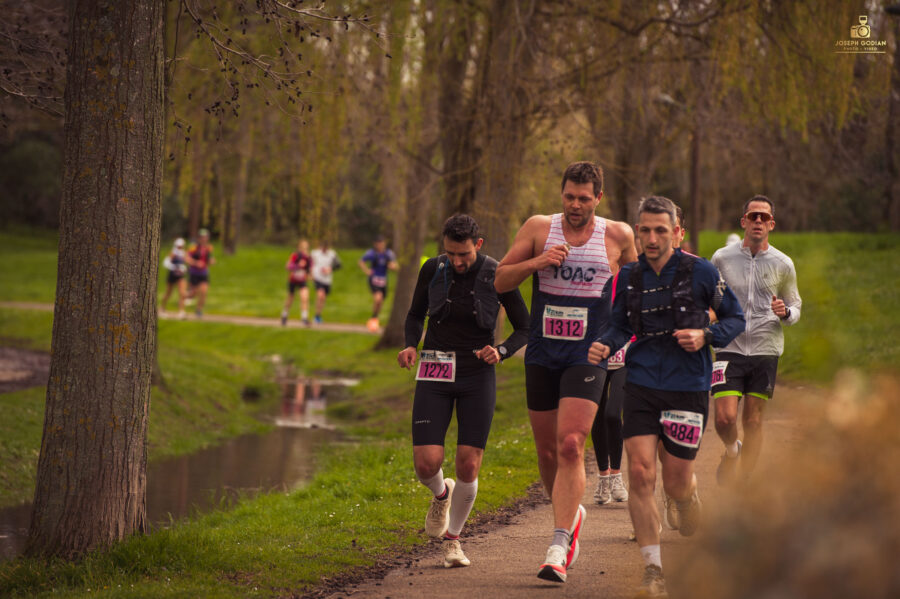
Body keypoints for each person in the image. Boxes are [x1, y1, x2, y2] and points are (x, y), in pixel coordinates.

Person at [588, 195, 745, 598]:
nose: (652, 238)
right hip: (640, 383)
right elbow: (619, 326)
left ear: (678, 232)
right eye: (645, 229)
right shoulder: (627, 276)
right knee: (640, 473)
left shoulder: (702, 272)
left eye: (661, 230)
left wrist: (706, 336)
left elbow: (735, 318)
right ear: (637, 232)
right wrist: (604, 344)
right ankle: (653, 570)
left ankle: (686, 494)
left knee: (674, 481)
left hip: (687, 385)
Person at [494, 161, 637, 583]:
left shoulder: (618, 235)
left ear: (598, 198)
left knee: (572, 443)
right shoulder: (539, 227)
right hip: (542, 352)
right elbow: (500, 280)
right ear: (562, 194)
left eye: (584, 198)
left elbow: (634, 286)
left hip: (588, 353)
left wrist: (624, 331)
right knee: (548, 453)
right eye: (569, 197)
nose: (576, 205)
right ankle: (571, 514)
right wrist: (537, 262)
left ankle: (558, 543)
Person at [398, 214, 529, 569]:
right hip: (435, 369)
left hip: (476, 373)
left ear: (479, 245)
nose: (457, 262)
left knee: (469, 462)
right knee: (427, 463)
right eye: (451, 254)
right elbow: (414, 314)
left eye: (464, 255)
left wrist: (500, 351)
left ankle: (453, 542)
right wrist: (411, 345)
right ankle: (441, 493)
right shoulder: (432, 269)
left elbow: (525, 326)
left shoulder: (497, 273)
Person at [710, 195, 801, 485]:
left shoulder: (783, 263)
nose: (758, 221)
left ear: (771, 224)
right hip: (729, 346)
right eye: (753, 216)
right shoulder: (722, 258)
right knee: (724, 420)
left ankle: (743, 483)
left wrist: (785, 311)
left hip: (765, 348)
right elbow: (710, 298)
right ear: (744, 222)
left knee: (752, 421)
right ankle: (731, 451)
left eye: (764, 217)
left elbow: (796, 306)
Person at [590, 275, 629, 505]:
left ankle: (617, 475)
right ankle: (603, 477)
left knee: (613, 414)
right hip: (597, 355)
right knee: (598, 414)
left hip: (624, 356)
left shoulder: (630, 278)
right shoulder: (593, 277)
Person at [359, 235, 399, 331]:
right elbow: (361, 261)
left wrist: (393, 267)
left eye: (382, 243)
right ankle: (373, 318)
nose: (380, 245)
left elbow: (394, 265)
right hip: (374, 279)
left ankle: (374, 318)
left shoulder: (388, 254)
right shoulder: (371, 253)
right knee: (378, 298)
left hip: (383, 280)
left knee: (380, 300)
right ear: (375, 244)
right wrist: (367, 271)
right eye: (378, 244)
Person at [282, 239, 312, 326]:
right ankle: (284, 315)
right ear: (299, 247)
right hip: (293, 280)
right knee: (290, 298)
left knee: (304, 297)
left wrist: (310, 275)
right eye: (303, 247)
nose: (305, 249)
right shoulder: (295, 256)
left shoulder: (308, 258)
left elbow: (309, 269)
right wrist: (298, 266)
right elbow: (288, 266)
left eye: (306, 247)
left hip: (302, 280)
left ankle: (304, 318)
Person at [186, 228, 215, 319]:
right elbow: (186, 258)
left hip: (203, 273)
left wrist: (211, 261)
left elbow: (208, 259)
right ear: (199, 238)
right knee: (193, 293)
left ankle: (199, 310)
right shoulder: (193, 247)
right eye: (202, 237)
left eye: (206, 237)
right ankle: (183, 299)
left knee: (203, 291)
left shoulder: (209, 247)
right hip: (194, 273)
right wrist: (196, 263)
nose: (204, 239)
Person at [310, 240, 341, 324]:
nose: (324, 249)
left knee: (323, 298)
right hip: (317, 277)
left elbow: (339, 264)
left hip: (327, 279)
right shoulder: (315, 253)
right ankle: (316, 316)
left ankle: (318, 315)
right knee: (320, 295)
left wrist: (330, 269)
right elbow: (309, 263)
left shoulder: (332, 254)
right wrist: (310, 273)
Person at [161, 237, 188, 319]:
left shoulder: (183, 253)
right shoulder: (173, 253)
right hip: (172, 275)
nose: (180, 247)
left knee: (182, 293)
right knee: (168, 293)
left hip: (180, 276)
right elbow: (165, 263)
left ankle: (181, 311)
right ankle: (162, 309)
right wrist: (175, 267)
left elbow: (184, 264)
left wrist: (183, 268)